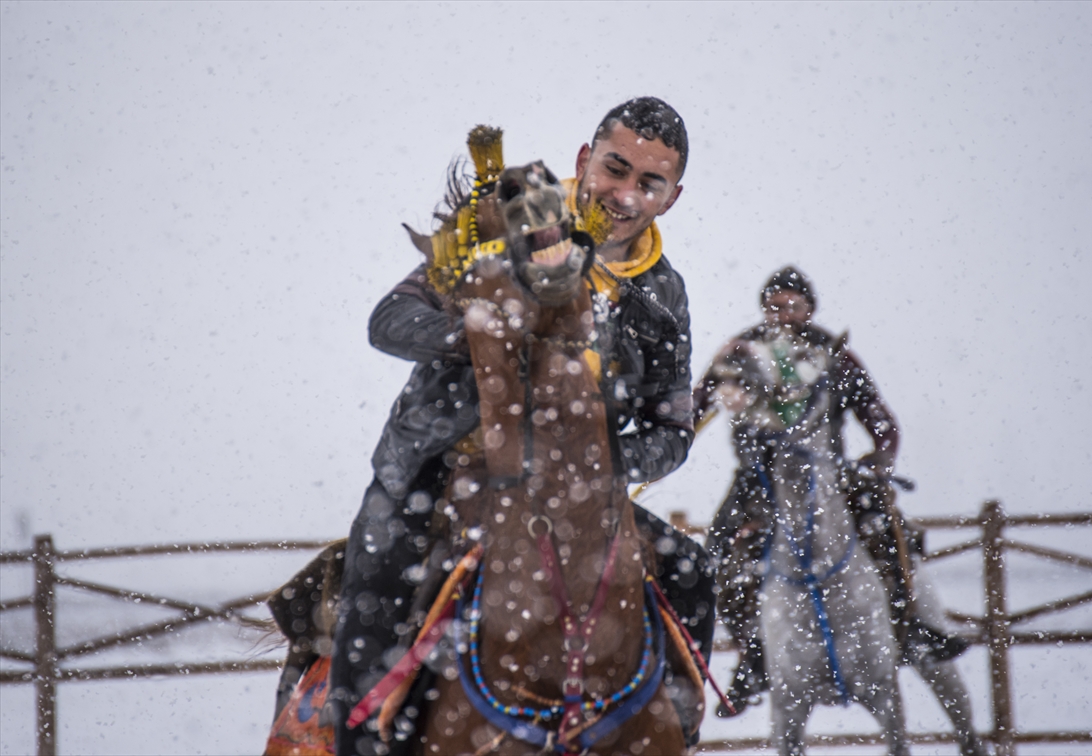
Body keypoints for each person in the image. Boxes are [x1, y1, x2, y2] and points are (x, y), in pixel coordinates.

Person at [330, 97, 714, 756]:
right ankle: (357, 736)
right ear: (583, 160)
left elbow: (672, 424)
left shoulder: (663, 293)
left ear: (671, 197)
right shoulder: (514, 225)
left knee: (690, 569)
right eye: (614, 168)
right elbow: (387, 320)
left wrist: (610, 469)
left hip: (582, 496)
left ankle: (682, 723)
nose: (624, 193)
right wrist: (476, 334)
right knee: (378, 579)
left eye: (647, 182)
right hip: (445, 471)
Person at [694, 266, 967, 717]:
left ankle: (912, 625)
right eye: (775, 306)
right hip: (757, 482)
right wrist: (678, 422)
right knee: (718, 555)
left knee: (887, 527)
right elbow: (698, 400)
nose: (783, 314)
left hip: (827, 477)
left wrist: (880, 458)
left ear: (810, 309)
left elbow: (878, 417)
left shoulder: (834, 355)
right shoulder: (741, 352)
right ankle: (754, 655)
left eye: (793, 306)